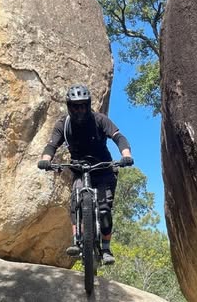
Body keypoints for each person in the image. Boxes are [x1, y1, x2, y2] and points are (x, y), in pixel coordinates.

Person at [37, 84, 133, 264]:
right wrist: (45, 160)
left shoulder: (100, 120)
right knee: (76, 203)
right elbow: (51, 145)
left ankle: (106, 248)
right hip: (80, 170)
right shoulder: (63, 124)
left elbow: (118, 137)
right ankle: (77, 241)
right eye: (75, 106)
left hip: (103, 169)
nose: (79, 110)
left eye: (82, 105)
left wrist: (126, 155)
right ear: (69, 107)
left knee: (104, 210)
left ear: (88, 105)